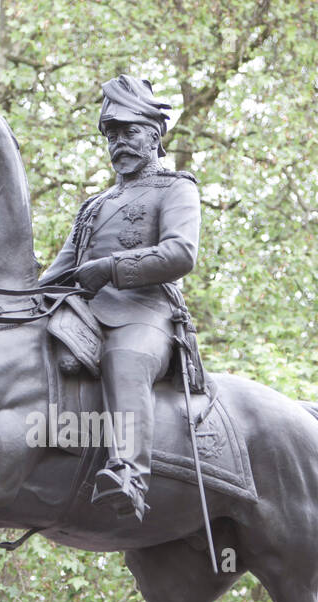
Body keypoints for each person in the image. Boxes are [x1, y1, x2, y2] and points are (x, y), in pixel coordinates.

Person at [40, 75, 202, 521]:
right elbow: (57, 274)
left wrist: (110, 269)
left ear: (155, 135)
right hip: (83, 314)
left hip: (146, 312)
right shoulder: (93, 205)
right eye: (111, 135)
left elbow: (180, 253)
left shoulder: (177, 188)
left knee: (124, 358)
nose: (119, 143)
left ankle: (129, 475)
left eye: (128, 131)